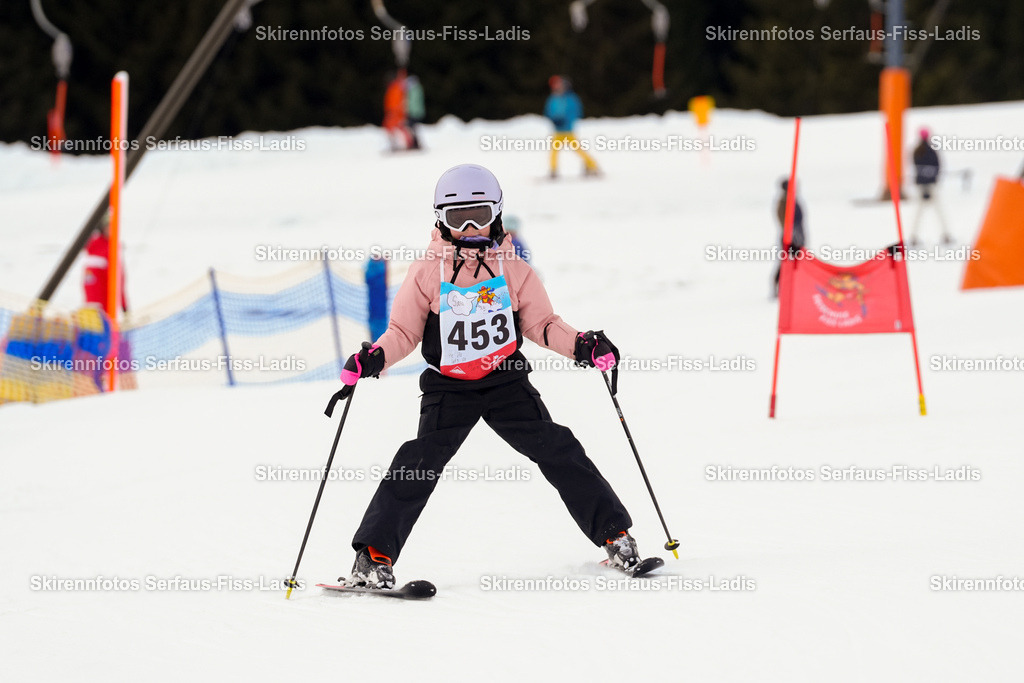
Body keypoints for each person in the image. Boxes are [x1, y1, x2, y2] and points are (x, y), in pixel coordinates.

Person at [337, 164, 640, 589]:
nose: (471, 227)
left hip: (506, 381)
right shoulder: (427, 271)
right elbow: (403, 331)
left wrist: (583, 345)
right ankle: (373, 558)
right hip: (449, 386)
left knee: (559, 449)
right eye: (459, 218)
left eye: (479, 214)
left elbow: (543, 323)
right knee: (418, 464)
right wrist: (374, 357)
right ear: (441, 219)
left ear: (496, 212)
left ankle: (616, 537)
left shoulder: (513, 268)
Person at [544, 75, 600, 179]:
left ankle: (593, 165)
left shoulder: (571, 98)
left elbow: (576, 112)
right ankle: (553, 170)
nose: (556, 87)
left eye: (558, 85)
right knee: (554, 151)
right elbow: (548, 112)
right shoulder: (552, 99)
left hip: (568, 131)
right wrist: (554, 119)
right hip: (557, 131)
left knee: (578, 150)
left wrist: (565, 120)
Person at [909, 127, 952, 246]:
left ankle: (913, 237)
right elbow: (938, 166)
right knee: (938, 211)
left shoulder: (916, 151)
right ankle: (946, 235)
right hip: (931, 186)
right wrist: (931, 180)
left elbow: (918, 168)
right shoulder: (932, 150)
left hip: (921, 186)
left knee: (918, 213)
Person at [83, 213, 128, 313]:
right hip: (100, 307)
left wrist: (124, 306)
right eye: (109, 227)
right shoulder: (101, 250)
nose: (113, 229)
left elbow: (119, 280)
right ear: (102, 228)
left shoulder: (108, 247)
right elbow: (91, 282)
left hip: (102, 306)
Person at [773, 179, 805, 299]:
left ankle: (794, 286)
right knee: (786, 263)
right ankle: (779, 287)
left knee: (797, 263)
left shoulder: (793, 200)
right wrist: (792, 236)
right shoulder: (784, 202)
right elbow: (784, 221)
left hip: (796, 236)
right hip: (789, 238)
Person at [383, 70, 414, 152]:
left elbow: (397, 101)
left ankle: (410, 143)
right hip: (393, 111)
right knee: (394, 129)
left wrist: (395, 111)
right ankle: (396, 144)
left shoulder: (396, 87)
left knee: (400, 128)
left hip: (395, 112)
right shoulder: (392, 88)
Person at [404, 74, 425, 151]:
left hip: (414, 113)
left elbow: (413, 103)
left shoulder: (415, 90)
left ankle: (415, 143)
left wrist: (408, 110)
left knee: (412, 128)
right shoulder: (416, 89)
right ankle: (414, 143)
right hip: (415, 112)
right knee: (412, 128)